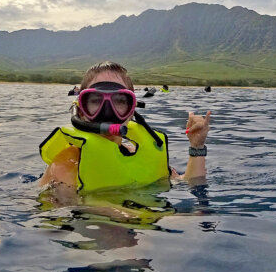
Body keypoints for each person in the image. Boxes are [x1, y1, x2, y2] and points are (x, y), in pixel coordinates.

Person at [39, 61, 211, 192]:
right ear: (81, 111)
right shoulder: (67, 163)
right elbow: (78, 209)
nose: (107, 112)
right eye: (96, 101)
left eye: (120, 101)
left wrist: (197, 146)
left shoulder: (137, 154)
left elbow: (189, 183)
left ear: (131, 112)